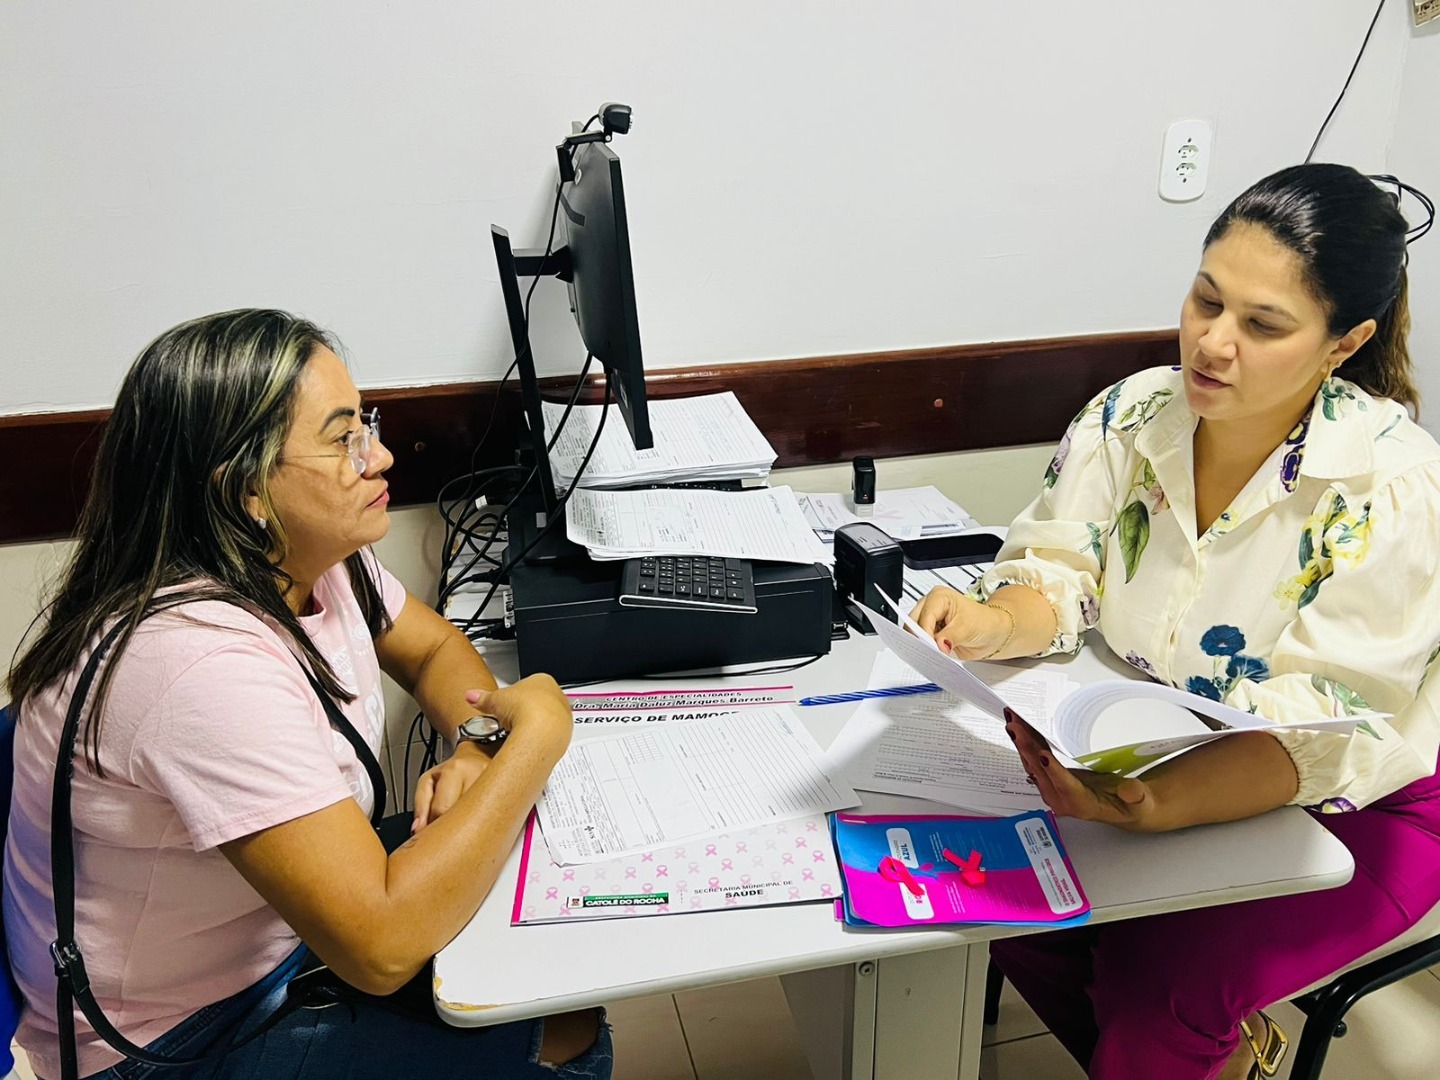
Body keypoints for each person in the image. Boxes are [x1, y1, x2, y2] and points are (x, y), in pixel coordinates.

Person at [913, 164, 1440, 1080]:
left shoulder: (1390, 487)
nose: (1211, 342)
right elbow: (1062, 568)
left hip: (1371, 797)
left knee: (1163, 986)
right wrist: (995, 620)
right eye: (1206, 299)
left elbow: (1328, 725)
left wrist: (1146, 807)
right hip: (1166, 745)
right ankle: (1216, 1054)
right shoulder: (1132, 415)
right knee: (1003, 903)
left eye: (1262, 325)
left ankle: (1195, 1039)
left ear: (1344, 342)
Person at [2, 310, 612, 1079]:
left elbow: (430, 649)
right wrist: (533, 738)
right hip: (172, 1042)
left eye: (368, 424)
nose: (381, 455)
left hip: (272, 945)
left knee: (543, 922)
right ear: (246, 490)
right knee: (564, 1033)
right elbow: (381, 949)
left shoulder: (307, 561)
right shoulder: (194, 664)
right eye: (342, 439)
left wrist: (477, 742)